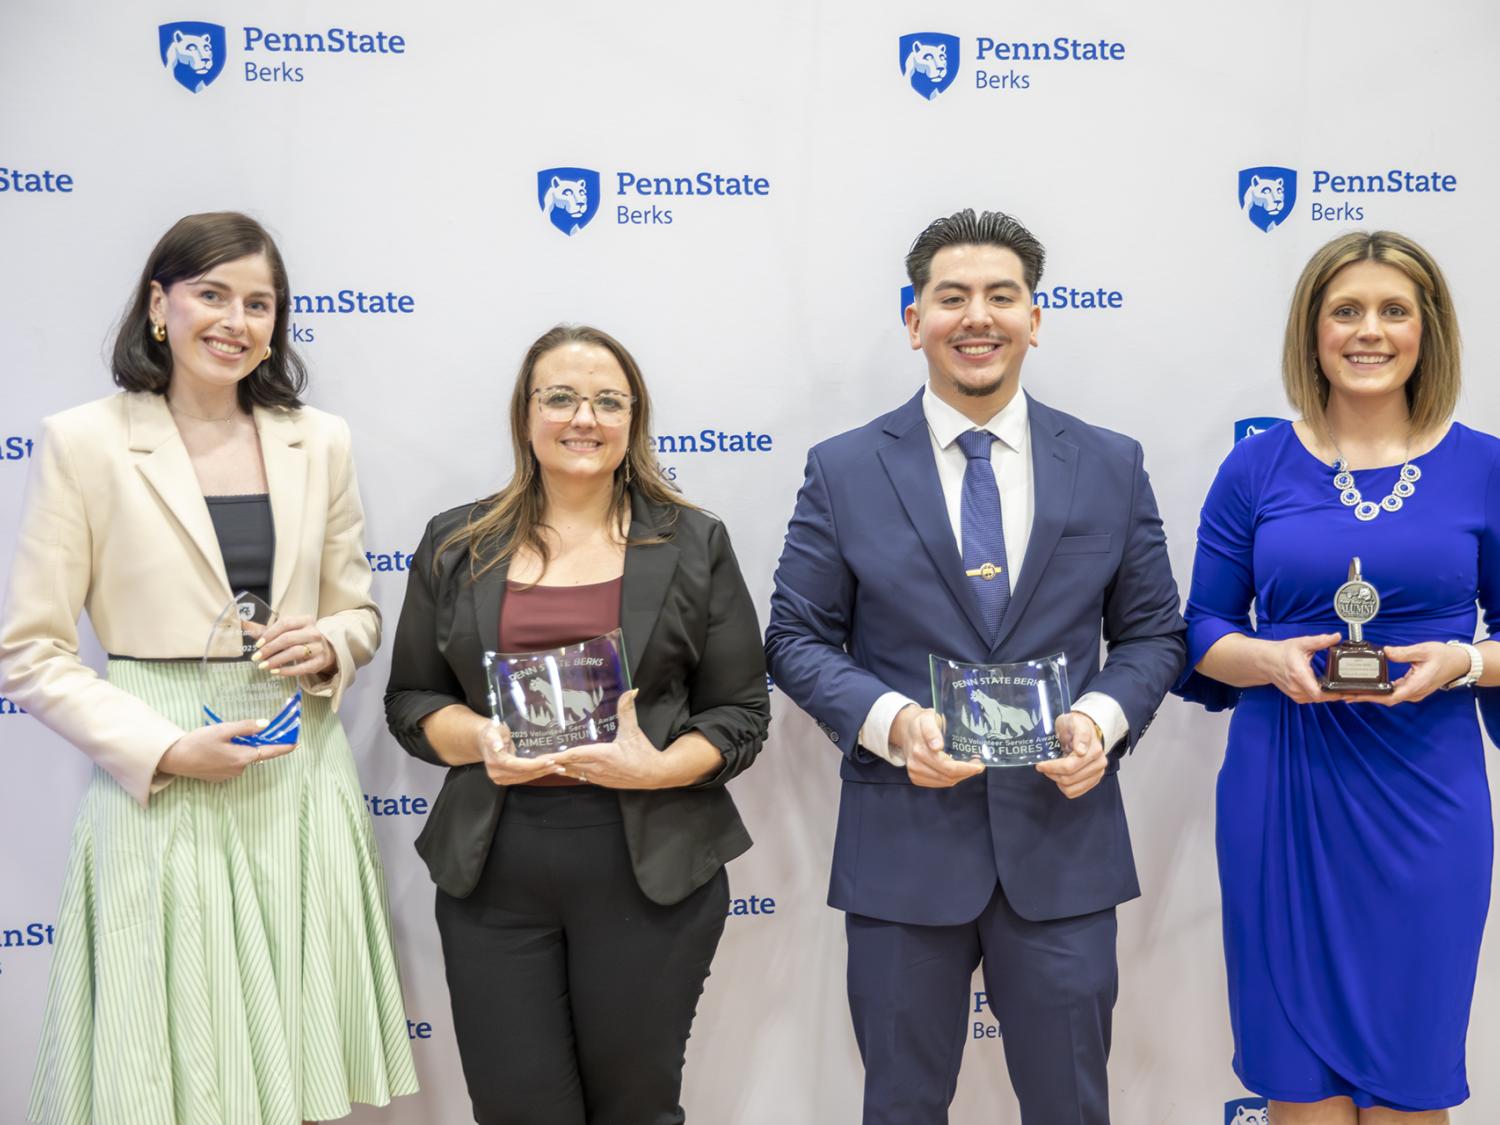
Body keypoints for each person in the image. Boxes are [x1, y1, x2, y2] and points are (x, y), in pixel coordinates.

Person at [764, 209, 1186, 1125]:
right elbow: (795, 636)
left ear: (1037, 316)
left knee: (1072, 1107)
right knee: (903, 1105)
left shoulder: (1110, 464)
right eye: (951, 297)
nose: (977, 316)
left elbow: (1154, 632)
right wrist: (891, 722)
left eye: (1003, 295)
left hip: (1062, 845)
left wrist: (1102, 721)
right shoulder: (843, 470)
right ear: (914, 320)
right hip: (903, 850)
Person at [0, 212, 418, 1124]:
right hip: (162, 770)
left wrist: (332, 646)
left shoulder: (322, 439)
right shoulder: (82, 441)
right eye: (213, 294)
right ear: (160, 304)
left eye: (259, 302)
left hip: (297, 770)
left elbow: (357, 609)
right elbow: (30, 651)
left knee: (296, 1066)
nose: (237, 320)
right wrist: (162, 748)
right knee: (172, 1066)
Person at [383, 323, 769, 1125]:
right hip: (496, 873)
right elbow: (413, 701)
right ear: (526, 415)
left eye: (607, 400)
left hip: (649, 870)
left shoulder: (694, 542)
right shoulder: (456, 544)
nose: (582, 417)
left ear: (634, 421)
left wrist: (655, 767)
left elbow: (741, 712)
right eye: (559, 396)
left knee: (635, 1110)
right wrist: (483, 741)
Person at [1178, 231, 1498, 1125]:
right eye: (1345, 311)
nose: (1370, 331)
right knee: (1300, 1088)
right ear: (1310, 331)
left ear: (1428, 329)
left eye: (1394, 310)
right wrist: (1270, 659)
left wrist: (1464, 662)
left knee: (1410, 1083)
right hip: (1284, 789)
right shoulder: (1255, 467)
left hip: (1426, 804)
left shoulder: (1487, 465)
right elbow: (1202, 629)